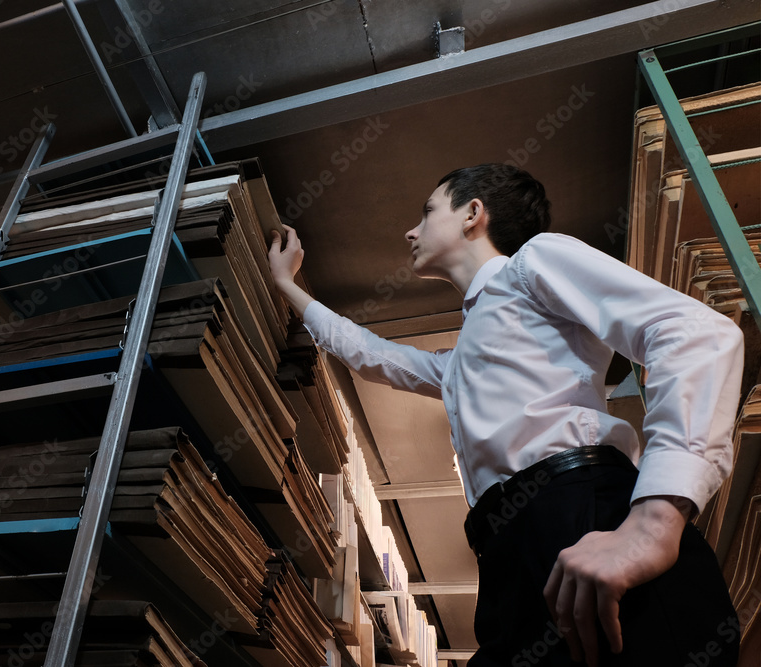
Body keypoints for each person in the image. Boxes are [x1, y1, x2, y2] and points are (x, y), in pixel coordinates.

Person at [267, 163, 744, 666]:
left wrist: (653, 524)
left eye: (428, 212)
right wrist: (288, 286)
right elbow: (374, 357)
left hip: (576, 509)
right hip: (505, 552)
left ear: (474, 213)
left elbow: (695, 334)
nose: (412, 230)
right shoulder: (458, 364)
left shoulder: (532, 262)